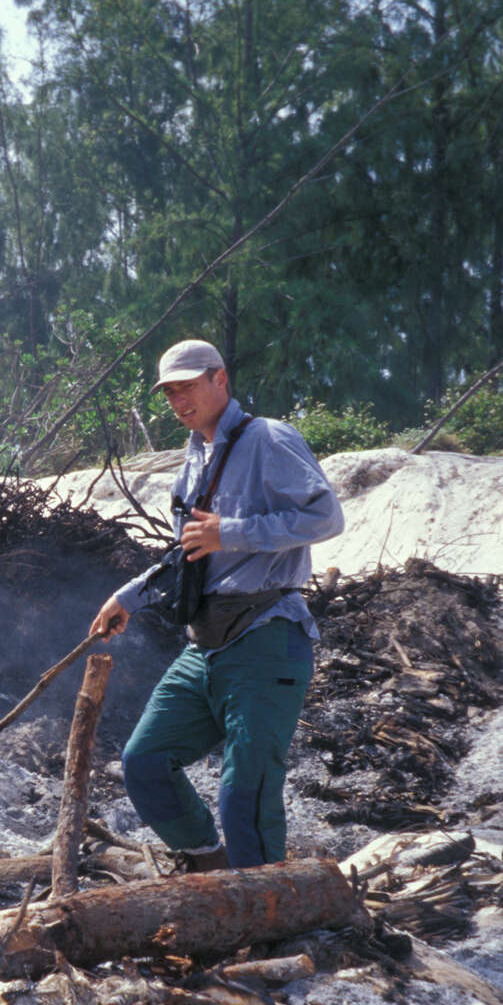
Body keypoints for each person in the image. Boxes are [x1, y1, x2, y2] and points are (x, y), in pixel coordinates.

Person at [90, 339, 344, 870]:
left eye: (189, 386)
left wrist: (233, 533)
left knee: (244, 789)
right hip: (203, 645)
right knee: (145, 761)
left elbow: (326, 519)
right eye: (171, 393)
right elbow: (187, 552)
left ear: (220, 380)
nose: (180, 400)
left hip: (266, 635)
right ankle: (209, 867)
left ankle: (267, 913)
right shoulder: (194, 456)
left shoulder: (269, 439)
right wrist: (127, 597)